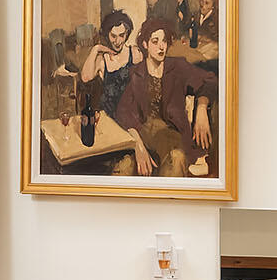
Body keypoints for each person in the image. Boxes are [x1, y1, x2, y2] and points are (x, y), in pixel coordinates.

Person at [113, 18, 214, 177]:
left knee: (176, 161)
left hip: (174, 141)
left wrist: (201, 107)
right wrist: (138, 144)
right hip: (145, 139)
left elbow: (209, 81)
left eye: (164, 41)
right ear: (145, 44)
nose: (161, 46)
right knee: (123, 169)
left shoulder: (178, 67)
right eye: (155, 41)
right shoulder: (136, 73)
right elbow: (122, 112)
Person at [74, 10, 135, 149]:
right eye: (113, 36)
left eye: (122, 35)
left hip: (130, 117)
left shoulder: (134, 54)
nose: (118, 41)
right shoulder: (103, 59)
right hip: (109, 119)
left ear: (127, 34)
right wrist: (95, 49)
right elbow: (85, 77)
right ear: (107, 34)